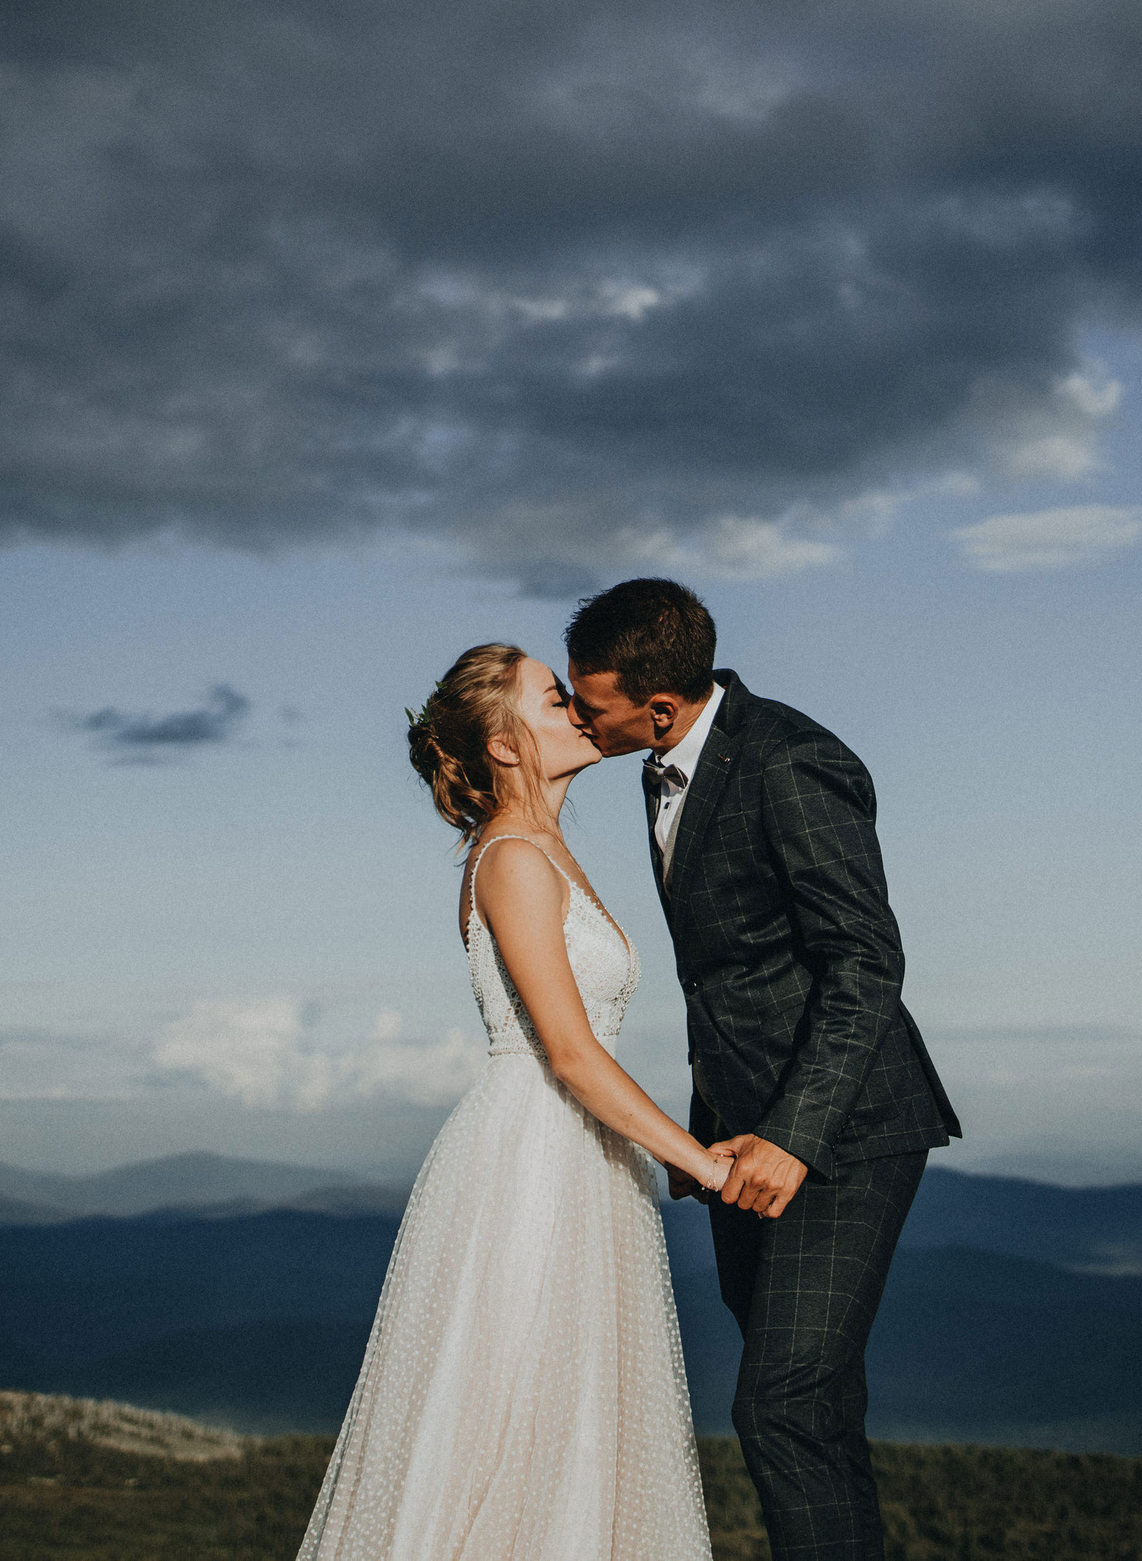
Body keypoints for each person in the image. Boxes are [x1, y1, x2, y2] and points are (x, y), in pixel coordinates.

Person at [296, 641, 731, 1561]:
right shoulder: (513, 859)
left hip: (578, 1155)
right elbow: (569, 1053)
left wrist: (659, 1150)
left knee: (569, 1429)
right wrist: (697, 1159)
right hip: (534, 1158)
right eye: (553, 697)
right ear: (503, 744)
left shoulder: (543, 849)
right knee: (512, 1422)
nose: (580, 706)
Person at [565, 579, 961, 1561]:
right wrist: (705, 1134)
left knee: (779, 1405)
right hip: (738, 1142)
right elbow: (732, 976)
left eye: (591, 701)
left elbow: (864, 962)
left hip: (844, 1134)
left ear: (659, 707)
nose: (577, 714)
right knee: (813, 1411)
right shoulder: (661, 766)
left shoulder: (789, 760)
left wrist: (792, 1137)